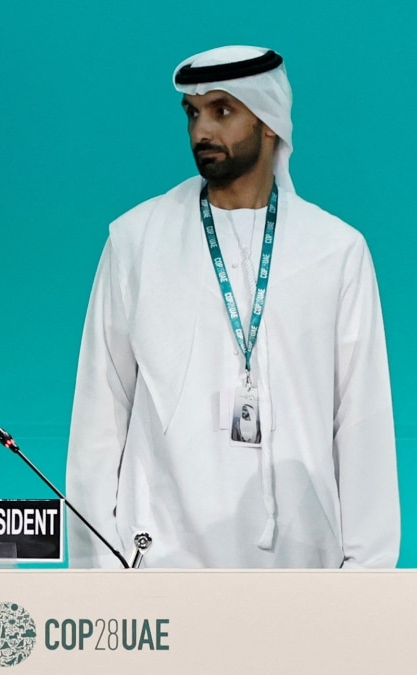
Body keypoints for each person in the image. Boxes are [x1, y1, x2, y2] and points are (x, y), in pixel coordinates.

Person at [66, 46, 398, 568]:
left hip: (302, 573)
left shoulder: (335, 251)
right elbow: (99, 416)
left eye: (222, 111)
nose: (202, 130)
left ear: (269, 123)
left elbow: (362, 423)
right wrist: (97, 571)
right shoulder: (136, 241)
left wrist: (366, 580)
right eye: (192, 113)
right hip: (158, 572)